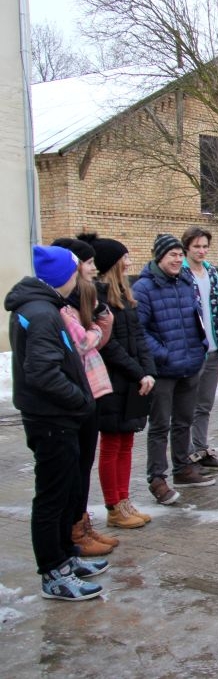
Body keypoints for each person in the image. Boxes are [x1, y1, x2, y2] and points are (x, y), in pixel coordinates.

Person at [6, 245, 107, 601]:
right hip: (52, 419)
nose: (80, 278)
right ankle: (53, 572)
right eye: (75, 272)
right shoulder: (42, 313)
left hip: (57, 417)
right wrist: (79, 399)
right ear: (63, 277)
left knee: (65, 493)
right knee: (52, 497)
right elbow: (42, 371)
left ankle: (66, 556)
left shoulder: (45, 308)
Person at [133, 233, 214, 504]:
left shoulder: (185, 281)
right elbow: (139, 330)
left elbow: (196, 317)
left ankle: (183, 468)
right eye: (173, 255)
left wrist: (201, 345)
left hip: (190, 364)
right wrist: (163, 354)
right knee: (159, 427)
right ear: (159, 257)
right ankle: (157, 478)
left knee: (184, 421)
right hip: (164, 369)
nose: (178, 259)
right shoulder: (144, 288)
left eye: (180, 255)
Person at [51, 238, 117, 556]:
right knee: (75, 469)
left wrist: (100, 323)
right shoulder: (63, 308)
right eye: (88, 263)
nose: (93, 268)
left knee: (83, 465)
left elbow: (96, 338)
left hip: (90, 388)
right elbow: (83, 342)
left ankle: (81, 523)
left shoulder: (83, 299)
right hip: (77, 393)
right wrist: (95, 328)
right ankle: (75, 532)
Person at [88, 236, 156, 529]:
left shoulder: (126, 297)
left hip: (132, 380)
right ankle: (114, 506)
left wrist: (148, 371)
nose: (129, 261)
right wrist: (137, 373)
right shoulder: (97, 299)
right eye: (124, 257)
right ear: (112, 264)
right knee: (112, 443)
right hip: (114, 380)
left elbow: (139, 338)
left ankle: (125, 500)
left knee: (127, 442)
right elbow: (109, 345)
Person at [181, 226, 218, 472]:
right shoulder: (180, 273)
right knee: (187, 406)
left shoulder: (211, 272)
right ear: (186, 248)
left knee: (205, 404)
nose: (201, 251)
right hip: (191, 350)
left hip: (213, 348)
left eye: (205, 246)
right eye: (196, 247)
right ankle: (186, 454)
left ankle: (201, 449)